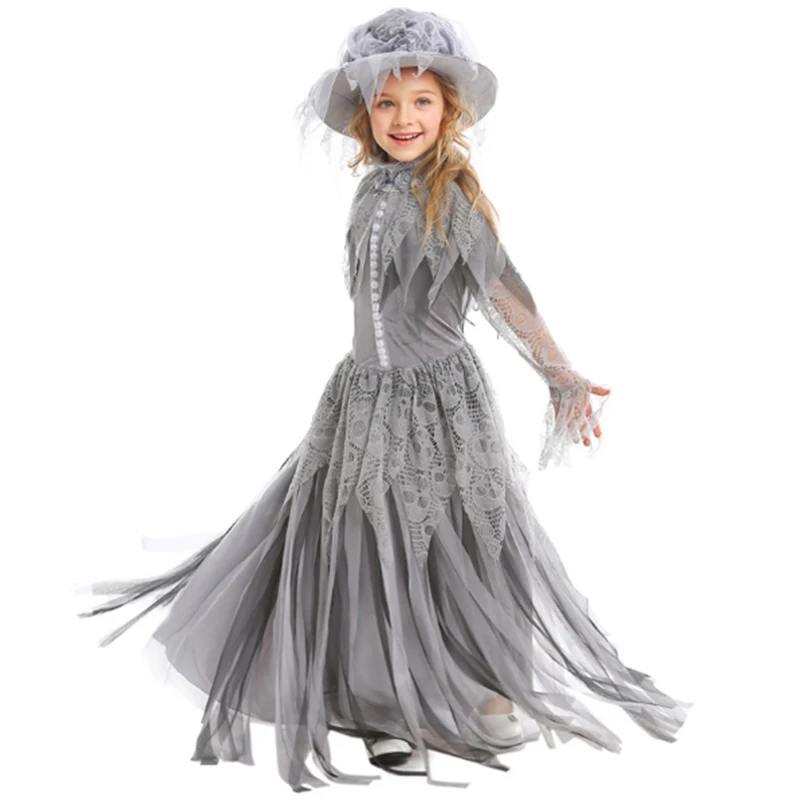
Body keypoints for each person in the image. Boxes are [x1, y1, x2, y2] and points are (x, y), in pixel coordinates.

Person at [75, 7, 692, 792]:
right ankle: (384, 706)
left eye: (421, 102)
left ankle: (483, 683)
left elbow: (504, 292)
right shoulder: (369, 191)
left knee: (459, 537)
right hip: (363, 396)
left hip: (437, 402)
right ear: (366, 115)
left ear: (448, 112)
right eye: (387, 104)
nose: (404, 119)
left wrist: (560, 373)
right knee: (367, 543)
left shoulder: (451, 197)